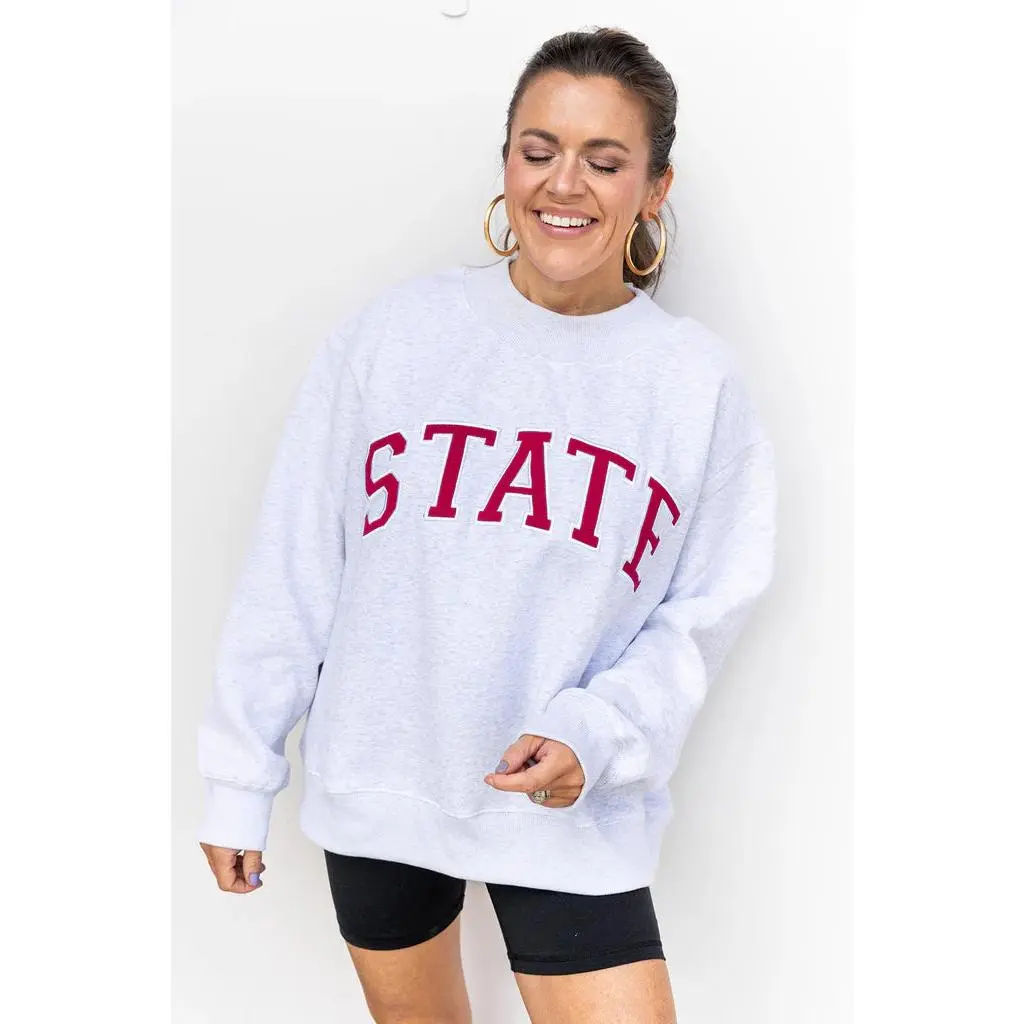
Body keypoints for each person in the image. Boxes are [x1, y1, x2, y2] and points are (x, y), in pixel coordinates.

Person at [196, 26, 777, 1023]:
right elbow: (295, 566)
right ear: (506, 160)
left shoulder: (694, 385)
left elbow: (702, 616)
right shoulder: (396, 335)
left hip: (568, 796)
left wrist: (595, 732)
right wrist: (238, 777)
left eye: (605, 161)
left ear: (655, 187)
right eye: (538, 150)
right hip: (384, 787)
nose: (564, 184)